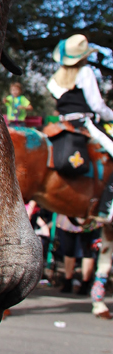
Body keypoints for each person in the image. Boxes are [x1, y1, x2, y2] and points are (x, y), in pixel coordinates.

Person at [47, 34, 113, 221]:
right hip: (85, 123)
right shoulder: (86, 73)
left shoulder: (54, 79)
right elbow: (97, 106)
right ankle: (108, 208)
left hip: (61, 124)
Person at [54, 214, 98, 294]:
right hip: (74, 217)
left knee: (85, 251)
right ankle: (71, 282)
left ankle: (82, 284)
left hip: (84, 217)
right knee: (73, 251)